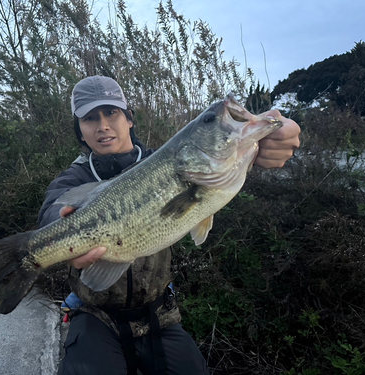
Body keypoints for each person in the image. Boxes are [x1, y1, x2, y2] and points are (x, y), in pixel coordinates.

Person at [38, 76, 301, 375]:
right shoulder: (73, 179)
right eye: (89, 118)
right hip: (96, 315)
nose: (103, 126)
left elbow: (226, 156)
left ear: (129, 119)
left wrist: (279, 131)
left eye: (111, 113)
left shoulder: (168, 161)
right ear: (80, 132)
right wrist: (58, 232)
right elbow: (52, 210)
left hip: (159, 315)